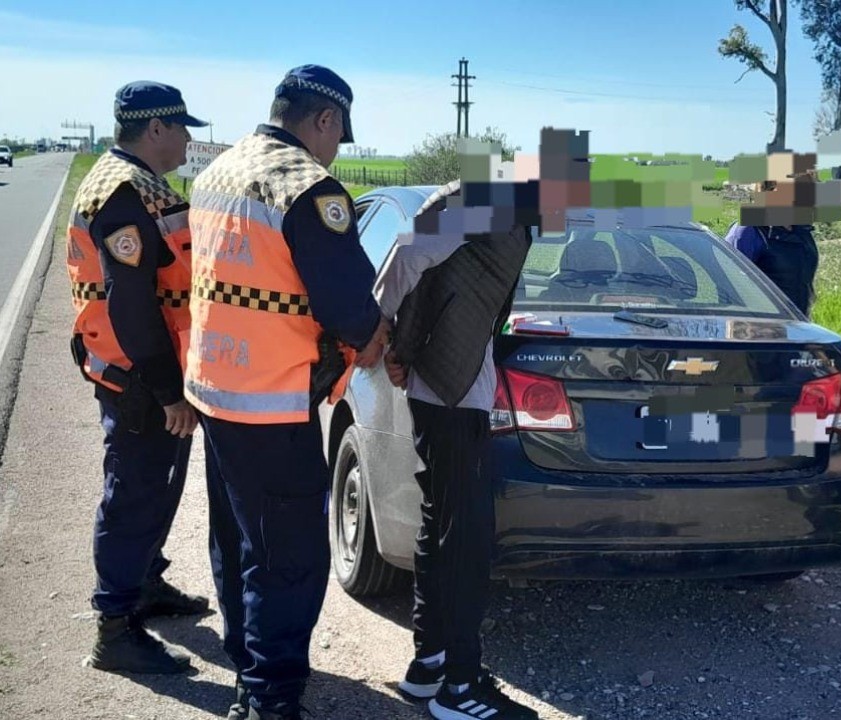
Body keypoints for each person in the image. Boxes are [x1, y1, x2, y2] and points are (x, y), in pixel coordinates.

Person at [185, 65, 390, 720]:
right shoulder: (308, 188)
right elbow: (353, 309)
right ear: (323, 120)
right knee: (291, 557)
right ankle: (269, 700)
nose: (335, 150)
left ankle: (248, 659)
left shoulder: (217, 171)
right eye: (338, 135)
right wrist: (382, 339)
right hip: (273, 400)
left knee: (240, 539)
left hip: (216, 390)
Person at [377, 130, 577, 719]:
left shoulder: (510, 210)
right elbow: (409, 253)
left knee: (444, 525)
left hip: (452, 379)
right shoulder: (485, 199)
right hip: (448, 386)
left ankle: (431, 664)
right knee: (466, 539)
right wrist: (378, 331)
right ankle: (459, 690)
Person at [66, 81, 211, 675]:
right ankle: (115, 629)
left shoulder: (139, 183)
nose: (186, 140)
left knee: (156, 487)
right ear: (156, 129)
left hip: (147, 371)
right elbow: (132, 306)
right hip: (139, 377)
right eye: (182, 129)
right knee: (133, 495)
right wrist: (168, 391)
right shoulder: (123, 194)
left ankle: (144, 583)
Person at [725, 173, 820, 317]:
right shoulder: (748, 230)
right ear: (772, 187)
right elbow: (727, 285)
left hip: (798, 328)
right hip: (759, 330)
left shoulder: (802, 231)